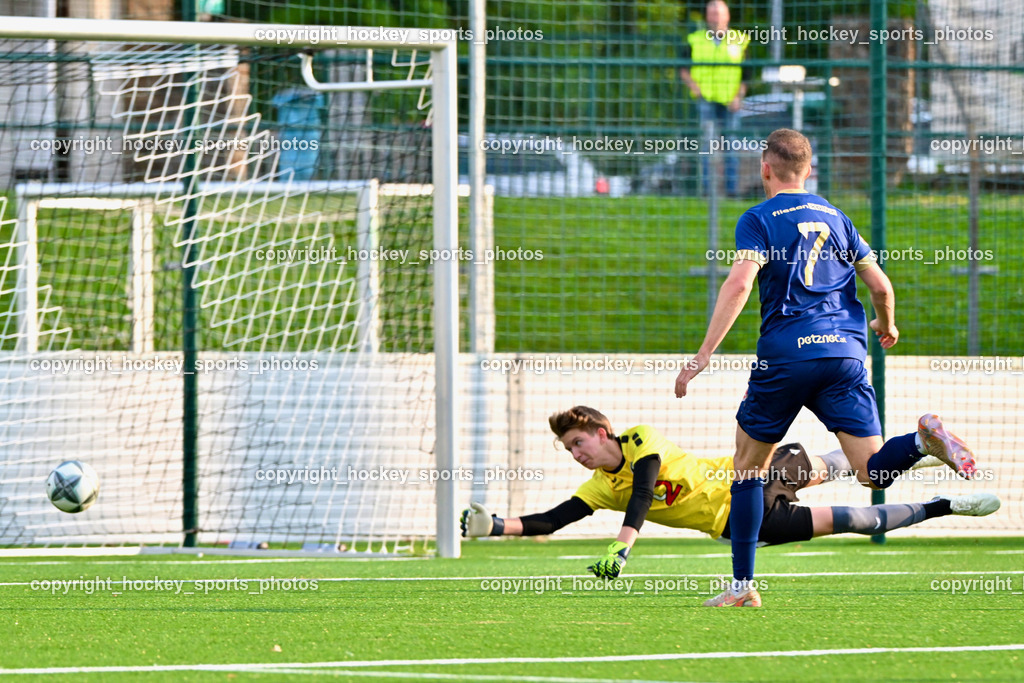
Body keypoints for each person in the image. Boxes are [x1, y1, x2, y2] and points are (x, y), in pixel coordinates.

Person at [673, 128, 979, 607]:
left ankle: (742, 586)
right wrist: (886, 324)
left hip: (787, 356)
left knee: (748, 470)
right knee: (872, 473)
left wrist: (704, 354)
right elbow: (881, 287)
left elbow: (739, 284)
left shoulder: (757, 219)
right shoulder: (838, 218)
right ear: (809, 171)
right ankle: (921, 441)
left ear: (765, 169)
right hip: (844, 355)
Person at [460, 406, 998, 606]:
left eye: (579, 442)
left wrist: (621, 548)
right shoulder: (600, 487)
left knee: (854, 483)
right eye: (570, 450)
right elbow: (554, 519)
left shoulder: (639, 438)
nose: (577, 454)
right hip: (752, 511)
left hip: (750, 482)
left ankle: (925, 461)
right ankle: (937, 487)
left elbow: (645, 489)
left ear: (603, 432)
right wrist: (494, 526)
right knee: (859, 507)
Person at [679, 0, 751, 197]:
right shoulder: (694, 39)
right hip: (706, 100)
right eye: (712, 13)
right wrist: (695, 88)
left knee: (731, 145)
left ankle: (731, 191)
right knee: (707, 145)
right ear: (706, 16)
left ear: (727, 16)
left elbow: (747, 73)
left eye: (719, 13)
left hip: (730, 101)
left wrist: (738, 97)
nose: (715, 17)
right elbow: (682, 68)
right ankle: (707, 191)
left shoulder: (740, 40)